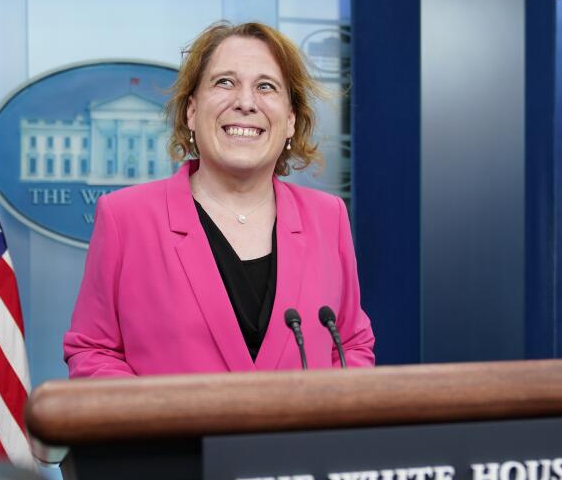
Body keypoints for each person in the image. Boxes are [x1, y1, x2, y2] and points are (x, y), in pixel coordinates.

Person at [63, 22, 374, 377]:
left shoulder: (327, 217)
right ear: (192, 112)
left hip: (299, 436)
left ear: (290, 121)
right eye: (224, 82)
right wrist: (154, 423)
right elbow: (93, 352)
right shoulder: (125, 217)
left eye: (266, 87)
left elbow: (350, 344)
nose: (245, 102)